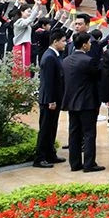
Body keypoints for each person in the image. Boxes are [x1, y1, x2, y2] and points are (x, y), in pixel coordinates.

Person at [60, 31, 104, 173]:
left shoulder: (66, 61)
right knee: (89, 133)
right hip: (87, 102)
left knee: (74, 133)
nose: (90, 45)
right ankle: (89, 163)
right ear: (84, 45)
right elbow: (98, 76)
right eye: (89, 43)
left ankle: (75, 163)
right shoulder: (88, 61)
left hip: (71, 102)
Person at [33, 31, 67, 167]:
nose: (65, 43)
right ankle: (40, 157)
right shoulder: (49, 57)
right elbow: (48, 82)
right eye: (63, 41)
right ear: (55, 41)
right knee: (46, 129)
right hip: (49, 100)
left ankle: (50, 154)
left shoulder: (54, 55)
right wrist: (51, 100)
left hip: (54, 99)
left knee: (52, 127)